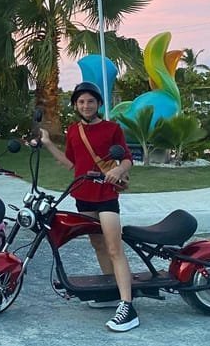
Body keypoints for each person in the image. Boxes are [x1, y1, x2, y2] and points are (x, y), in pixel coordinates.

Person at [39, 81, 138, 332]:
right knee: (97, 244)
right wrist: (48, 143)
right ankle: (111, 292)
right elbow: (71, 163)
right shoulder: (74, 130)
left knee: (114, 247)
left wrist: (118, 170)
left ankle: (128, 306)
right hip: (82, 195)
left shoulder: (112, 128)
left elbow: (127, 158)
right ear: (75, 105)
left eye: (90, 101)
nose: (86, 105)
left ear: (99, 104)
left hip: (106, 195)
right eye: (81, 102)